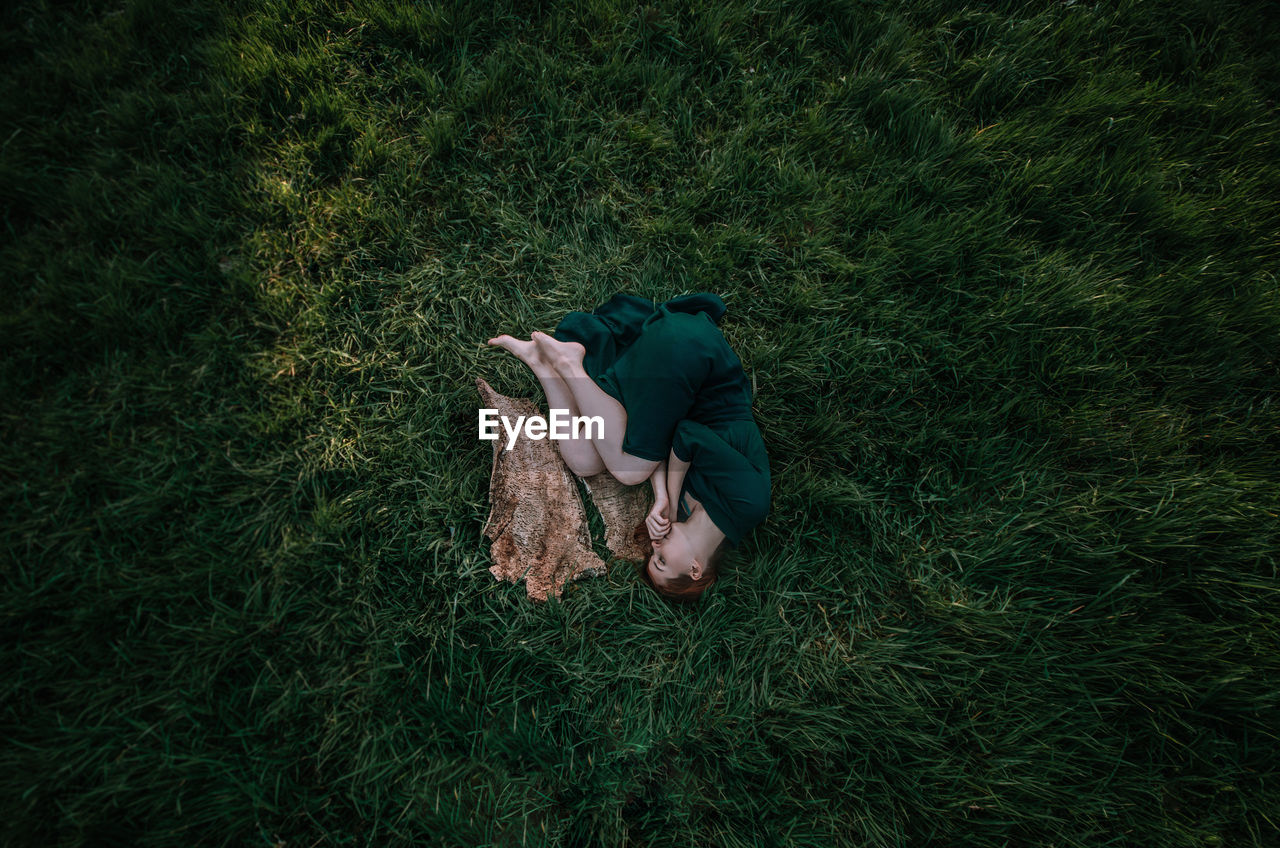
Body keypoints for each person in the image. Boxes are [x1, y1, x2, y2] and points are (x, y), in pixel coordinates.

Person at [487, 292, 770, 601]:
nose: (655, 546)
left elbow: (664, 446)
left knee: (584, 459)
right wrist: (670, 501)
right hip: (692, 355)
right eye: (661, 560)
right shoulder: (747, 504)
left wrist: (661, 494)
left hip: (671, 391)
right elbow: (687, 436)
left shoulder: (692, 512)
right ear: (694, 569)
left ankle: (541, 363)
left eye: (653, 555)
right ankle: (570, 364)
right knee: (632, 470)